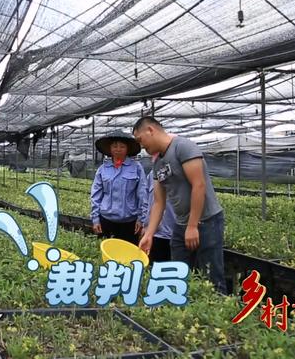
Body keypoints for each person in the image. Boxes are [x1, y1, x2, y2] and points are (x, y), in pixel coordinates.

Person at [133, 116, 226, 294]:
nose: (141, 146)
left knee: (211, 275)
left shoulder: (183, 147)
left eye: (140, 140)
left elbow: (198, 185)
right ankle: (182, 314)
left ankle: (219, 311)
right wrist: (149, 234)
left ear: (150, 130)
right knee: (177, 272)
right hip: (181, 224)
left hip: (207, 221)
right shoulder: (157, 163)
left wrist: (193, 226)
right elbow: (159, 203)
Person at [90, 130, 148, 245]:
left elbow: (143, 194)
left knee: (127, 255)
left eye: (122, 146)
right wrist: (95, 219)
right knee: (107, 252)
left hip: (129, 221)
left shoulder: (136, 167)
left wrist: (141, 219)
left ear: (128, 149)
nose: (118, 149)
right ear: (110, 149)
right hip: (106, 220)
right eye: (114, 146)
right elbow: (96, 194)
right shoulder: (103, 169)